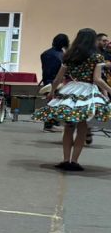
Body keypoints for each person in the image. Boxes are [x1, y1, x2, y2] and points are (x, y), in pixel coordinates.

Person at [33, 29, 111, 171]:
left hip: (70, 89)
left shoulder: (69, 56)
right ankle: (74, 161)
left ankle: (65, 160)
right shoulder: (97, 57)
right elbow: (97, 79)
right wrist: (109, 90)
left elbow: (58, 78)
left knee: (68, 127)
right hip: (87, 90)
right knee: (82, 127)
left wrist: (52, 92)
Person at [39, 34, 69, 132]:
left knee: (54, 102)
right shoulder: (57, 55)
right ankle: (49, 125)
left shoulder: (48, 53)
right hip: (54, 81)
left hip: (50, 79)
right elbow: (53, 70)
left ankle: (53, 124)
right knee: (53, 103)